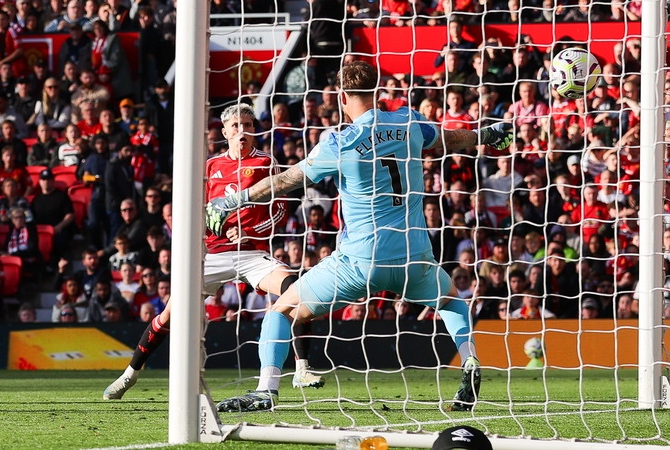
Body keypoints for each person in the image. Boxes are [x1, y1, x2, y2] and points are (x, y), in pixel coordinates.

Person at [206, 61, 513, 412]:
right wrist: (487, 135)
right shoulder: (407, 121)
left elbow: (284, 181)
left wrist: (233, 199)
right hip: (415, 255)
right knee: (451, 301)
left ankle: (265, 391)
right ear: (376, 89)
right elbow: (449, 138)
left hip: (360, 261)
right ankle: (470, 361)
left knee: (283, 307)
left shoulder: (338, 143)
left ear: (341, 95)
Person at [103, 103, 326, 401]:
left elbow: (280, 212)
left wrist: (251, 232)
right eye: (236, 126)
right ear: (225, 132)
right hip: (214, 254)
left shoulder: (265, 164)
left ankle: (301, 367)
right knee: (170, 314)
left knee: (294, 289)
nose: (242, 131)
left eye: (247, 125)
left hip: (251, 252)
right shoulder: (210, 167)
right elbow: (197, 210)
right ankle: (129, 375)